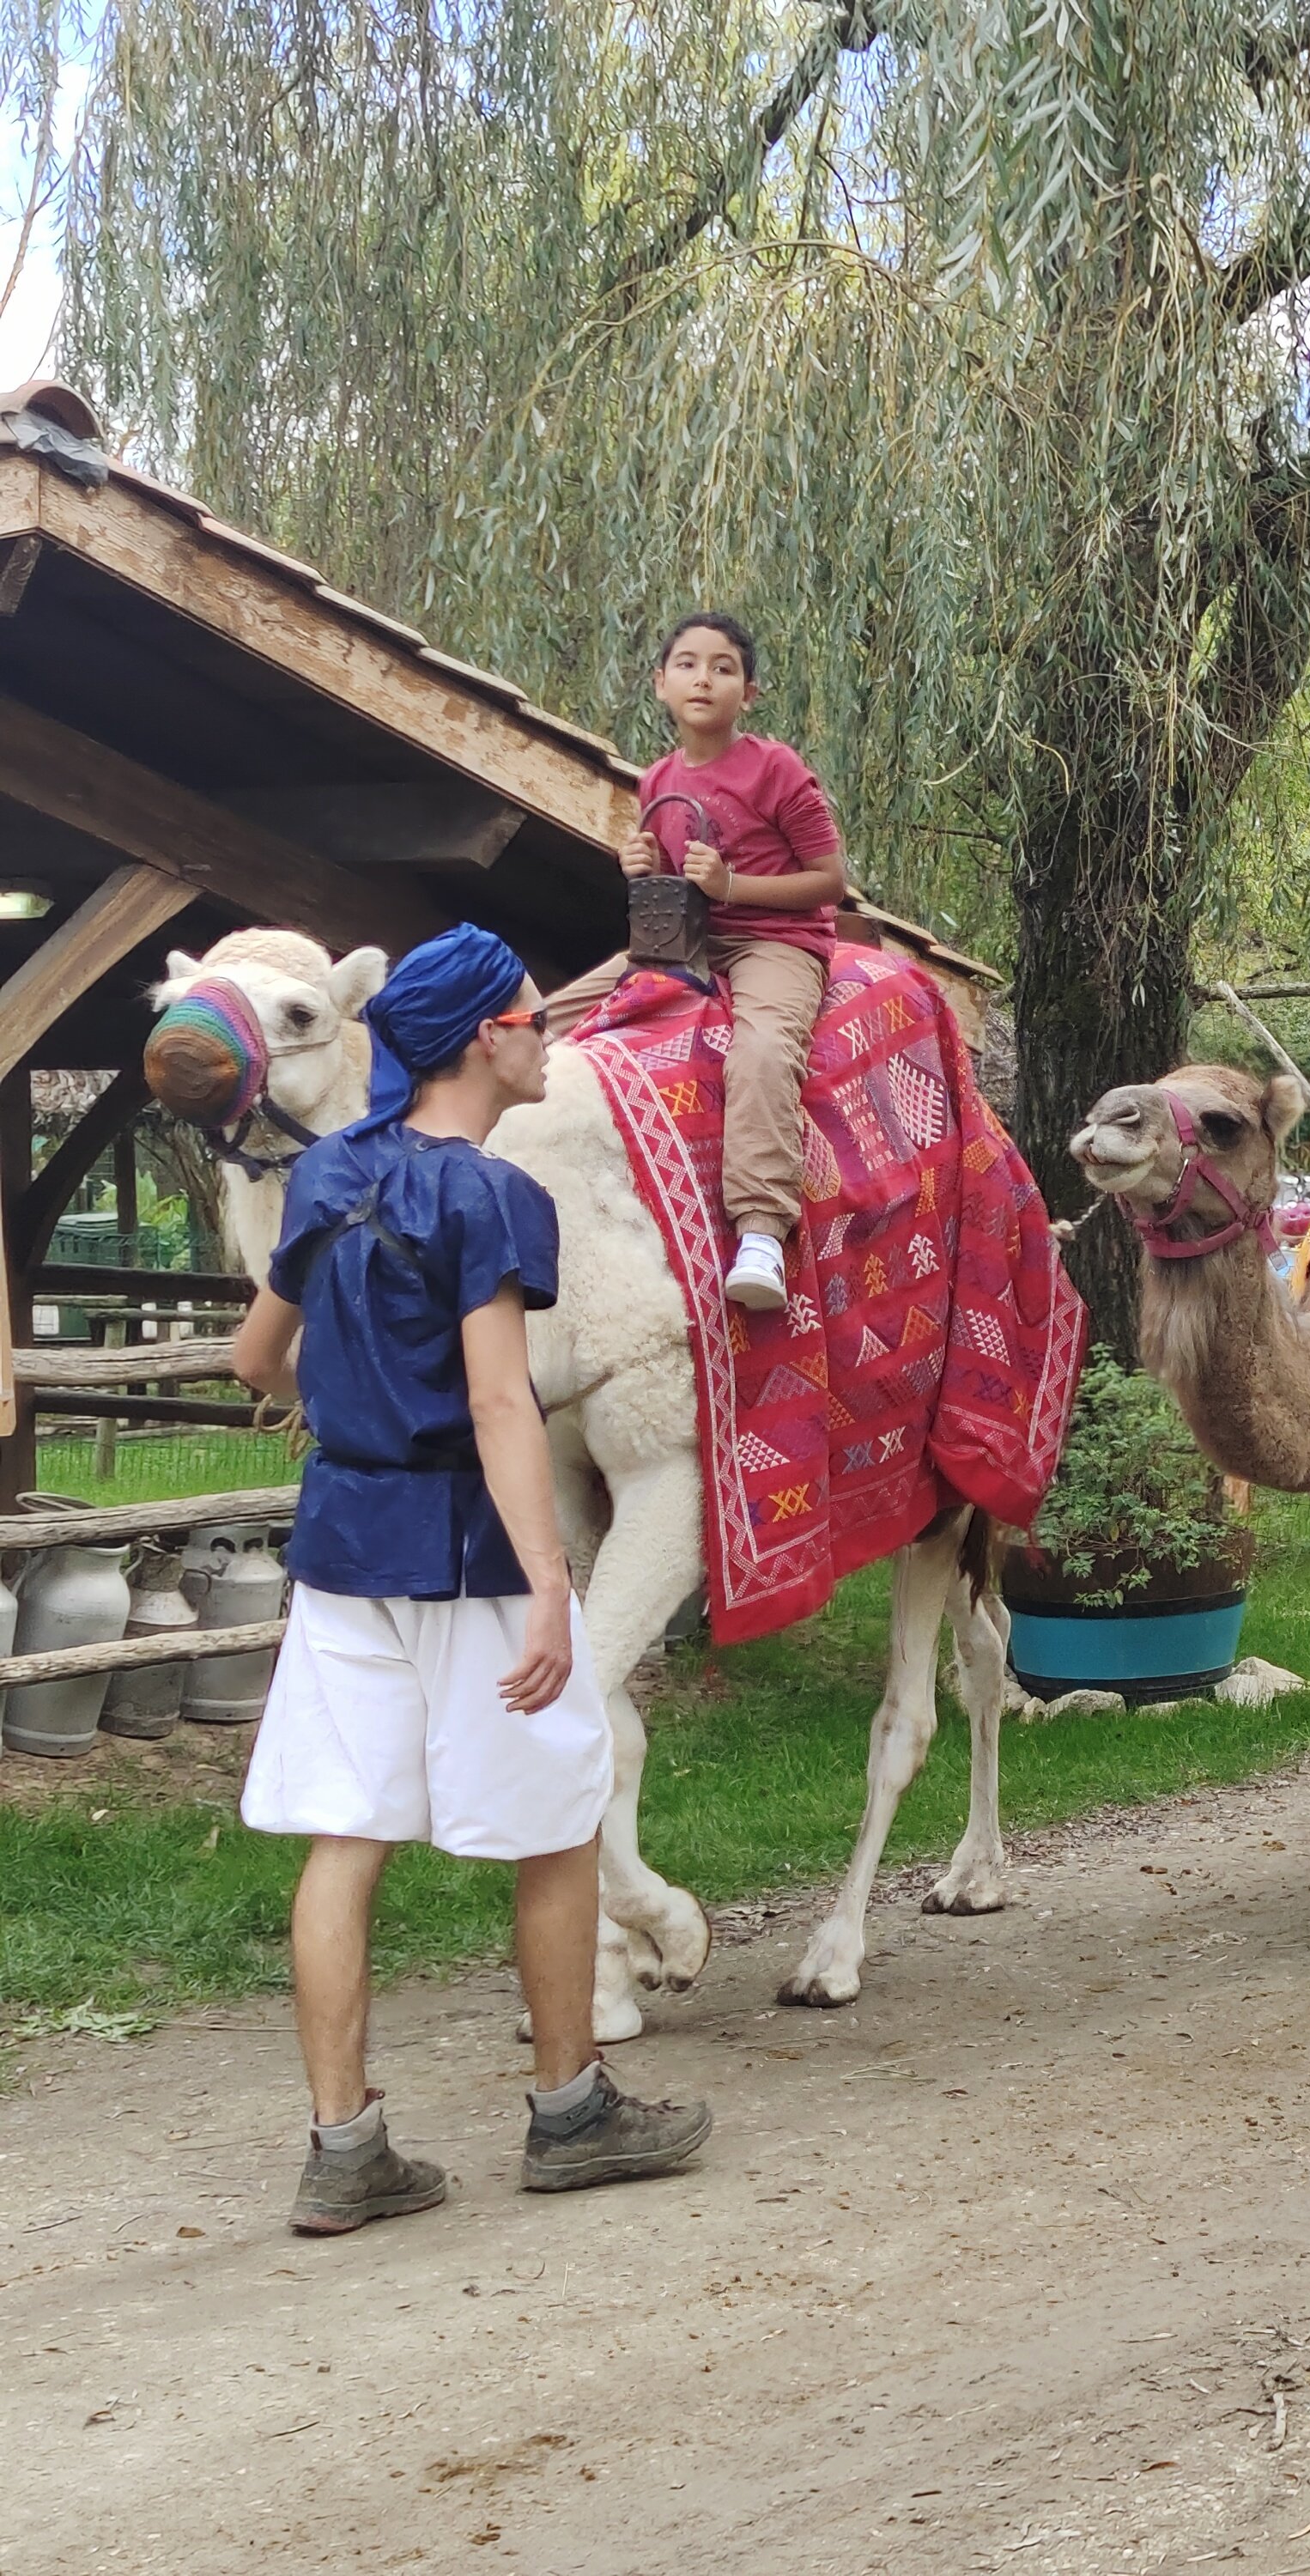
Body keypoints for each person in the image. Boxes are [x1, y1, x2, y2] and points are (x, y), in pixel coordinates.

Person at [230, 925, 715, 2236]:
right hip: (466, 1551)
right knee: (556, 1823)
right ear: (483, 1042)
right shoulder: (492, 1196)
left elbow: (254, 1360)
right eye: (531, 1019)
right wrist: (553, 1583)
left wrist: (355, 1396)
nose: (546, 1038)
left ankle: (344, 2148)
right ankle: (571, 2114)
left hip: (343, 1552)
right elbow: (503, 1404)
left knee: (346, 1839)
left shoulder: (330, 1173)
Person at [622, 612, 846, 1315]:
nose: (703, 679)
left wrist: (731, 887)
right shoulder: (657, 781)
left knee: (761, 1048)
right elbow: (674, 884)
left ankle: (760, 1231)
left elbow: (830, 880)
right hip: (689, 940)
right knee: (570, 1014)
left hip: (777, 941)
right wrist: (642, 868)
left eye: (723, 668)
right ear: (660, 683)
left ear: (747, 694)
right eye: (687, 664)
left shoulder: (775, 768)